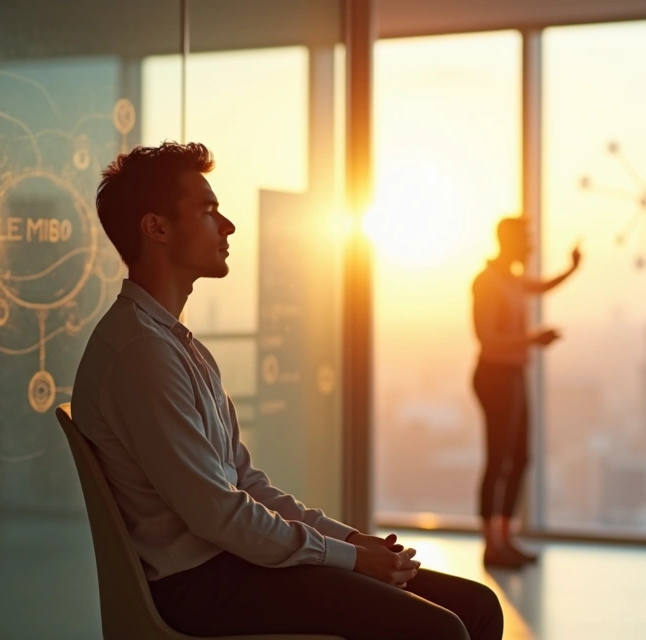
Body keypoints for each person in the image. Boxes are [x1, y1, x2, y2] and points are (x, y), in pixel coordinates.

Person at [72, 142, 503, 640]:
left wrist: (350, 540)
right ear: (158, 228)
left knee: (477, 606)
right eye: (208, 211)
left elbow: (245, 483)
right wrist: (351, 558)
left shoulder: (173, 343)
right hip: (202, 585)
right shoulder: (140, 353)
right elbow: (220, 515)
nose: (228, 226)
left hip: (232, 563)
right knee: (440, 629)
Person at [472, 216, 580, 568]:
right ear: (509, 241)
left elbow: (542, 286)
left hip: (513, 374)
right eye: (527, 239)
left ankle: (505, 538)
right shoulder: (488, 282)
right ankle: (492, 544)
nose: (532, 246)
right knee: (498, 459)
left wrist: (572, 268)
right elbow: (486, 337)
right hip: (495, 376)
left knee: (519, 457)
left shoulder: (512, 280)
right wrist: (532, 339)